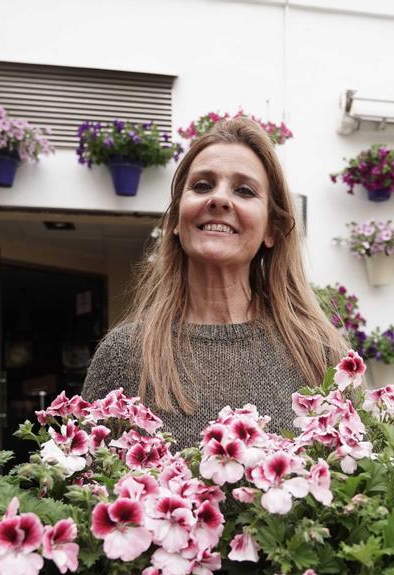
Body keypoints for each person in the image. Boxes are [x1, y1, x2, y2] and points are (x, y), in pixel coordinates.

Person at [82, 116, 347, 448]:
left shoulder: (320, 353)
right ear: (177, 219)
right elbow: (81, 488)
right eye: (202, 185)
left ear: (271, 230)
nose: (219, 199)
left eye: (244, 190)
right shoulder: (123, 355)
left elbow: (366, 486)